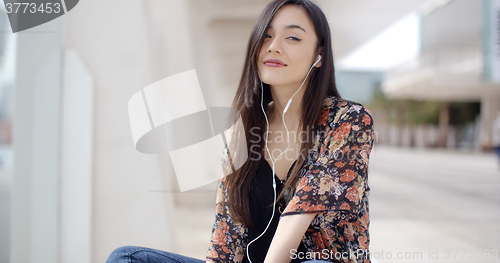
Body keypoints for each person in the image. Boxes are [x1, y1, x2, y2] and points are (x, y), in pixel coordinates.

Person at [106, 0, 374, 262]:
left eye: (292, 37)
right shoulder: (244, 131)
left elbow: (302, 209)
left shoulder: (349, 121)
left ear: (319, 55)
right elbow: (227, 236)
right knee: (127, 258)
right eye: (266, 36)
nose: (274, 46)